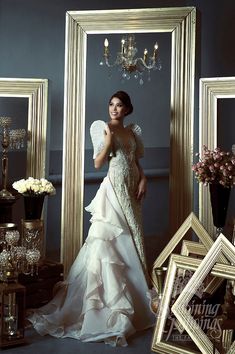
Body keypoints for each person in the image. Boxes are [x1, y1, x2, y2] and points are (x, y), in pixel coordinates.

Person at [27, 91, 155, 347]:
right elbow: (97, 163)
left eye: (119, 106)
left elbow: (135, 161)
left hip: (132, 189)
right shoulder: (104, 129)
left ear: (128, 109)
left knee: (135, 236)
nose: (114, 109)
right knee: (111, 241)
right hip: (114, 189)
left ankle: (140, 299)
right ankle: (110, 306)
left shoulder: (131, 132)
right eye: (111, 105)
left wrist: (143, 178)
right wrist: (107, 143)